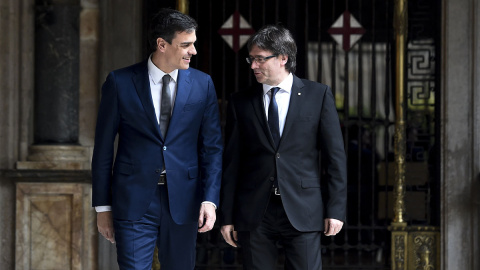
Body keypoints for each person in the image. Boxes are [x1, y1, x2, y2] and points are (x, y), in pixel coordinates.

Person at [91, 8, 223, 270]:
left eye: (193, 44)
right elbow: (103, 149)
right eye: (186, 45)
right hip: (133, 199)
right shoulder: (120, 82)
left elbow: (212, 148)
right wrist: (102, 207)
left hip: (184, 200)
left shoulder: (203, 84)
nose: (193, 51)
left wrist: (209, 199)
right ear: (162, 44)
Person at [220, 24, 347, 269]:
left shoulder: (318, 95)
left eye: (259, 59)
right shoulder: (240, 101)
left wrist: (336, 209)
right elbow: (232, 163)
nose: (253, 65)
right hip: (254, 212)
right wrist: (227, 216)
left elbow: (335, 158)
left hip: (304, 209)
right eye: (251, 59)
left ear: (283, 58)